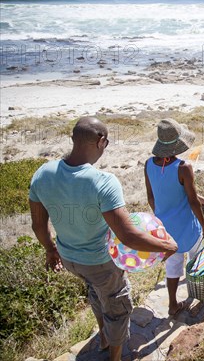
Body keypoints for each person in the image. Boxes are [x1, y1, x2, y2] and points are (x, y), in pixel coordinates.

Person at [29, 117, 178, 361]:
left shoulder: (42, 174)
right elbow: (128, 235)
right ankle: (115, 356)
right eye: (106, 143)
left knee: (94, 291)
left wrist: (50, 250)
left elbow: (38, 225)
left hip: (69, 259)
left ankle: (104, 337)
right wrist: (167, 246)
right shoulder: (103, 182)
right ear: (100, 141)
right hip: (100, 263)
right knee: (117, 310)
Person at [144, 118, 204, 316]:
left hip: (165, 229)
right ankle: (198, 292)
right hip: (188, 228)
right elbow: (192, 201)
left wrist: (161, 216)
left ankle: (172, 304)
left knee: (173, 267)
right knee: (196, 260)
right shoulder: (183, 167)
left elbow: (151, 196)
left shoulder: (148, 164)